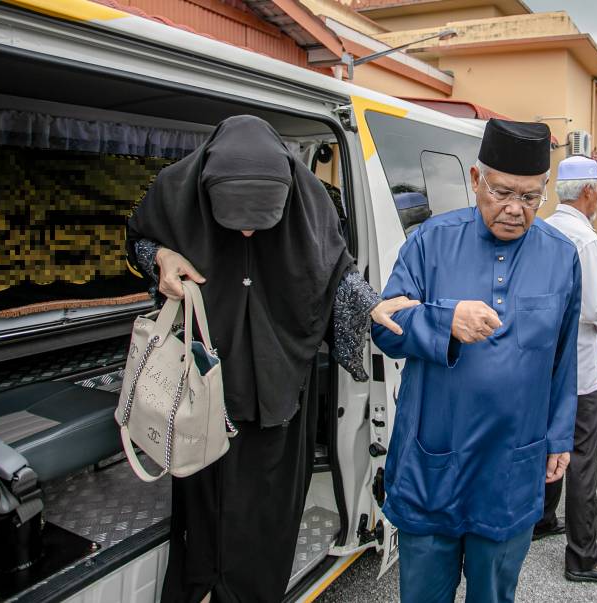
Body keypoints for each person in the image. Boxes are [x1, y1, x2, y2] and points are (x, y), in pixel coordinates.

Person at [125, 115, 417, 602]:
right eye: (231, 221)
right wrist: (159, 257)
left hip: (278, 391)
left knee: (267, 514)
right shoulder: (176, 188)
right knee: (201, 509)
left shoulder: (310, 202)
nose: (245, 236)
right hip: (201, 385)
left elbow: (335, 272)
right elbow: (138, 239)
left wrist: (370, 302)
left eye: (259, 224)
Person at [371, 118, 581, 603]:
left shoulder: (561, 255)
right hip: (433, 460)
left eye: (530, 197)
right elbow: (385, 325)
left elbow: (564, 357)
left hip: (510, 465)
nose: (514, 209)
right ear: (474, 179)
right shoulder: (430, 242)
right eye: (502, 192)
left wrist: (559, 436)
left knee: (494, 595)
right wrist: (446, 321)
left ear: (546, 190)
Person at [537, 155, 597, 583]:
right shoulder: (586, 240)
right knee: (580, 458)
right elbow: (595, 309)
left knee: (543, 446)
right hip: (579, 371)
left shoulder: (541, 228)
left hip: (540, 367)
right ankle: (583, 556)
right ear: (589, 192)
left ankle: (541, 520)